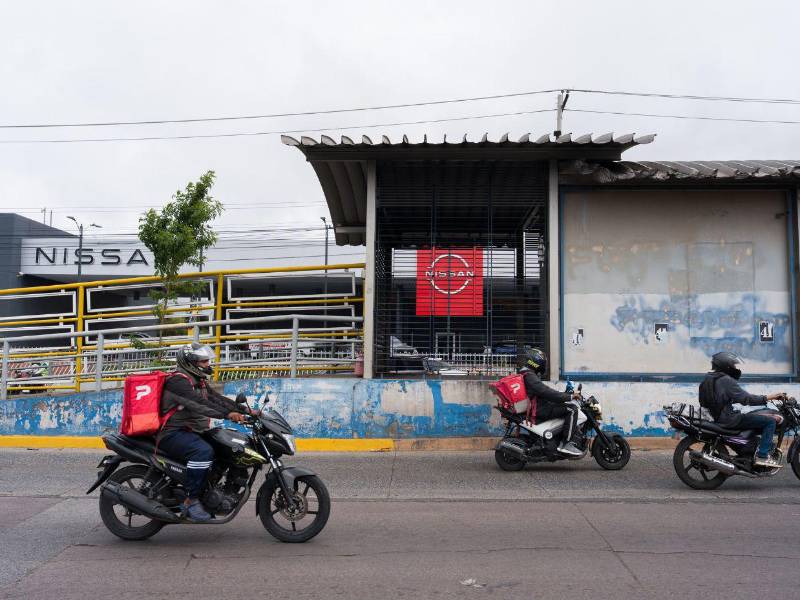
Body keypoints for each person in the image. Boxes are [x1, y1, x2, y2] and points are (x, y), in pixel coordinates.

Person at [157, 342, 253, 521]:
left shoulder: (198, 381)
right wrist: (228, 414)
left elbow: (217, 399)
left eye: (207, 360)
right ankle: (190, 500)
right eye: (204, 361)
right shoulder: (178, 381)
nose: (208, 364)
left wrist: (246, 411)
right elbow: (200, 404)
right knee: (203, 452)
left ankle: (209, 490)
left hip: (191, 431)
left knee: (226, 447)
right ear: (190, 363)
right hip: (172, 433)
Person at [700, 351, 784, 468]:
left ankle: (752, 448)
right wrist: (770, 397)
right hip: (729, 419)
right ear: (726, 365)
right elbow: (746, 399)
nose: (735, 368)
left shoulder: (709, 378)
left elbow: (718, 399)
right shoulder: (726, 380)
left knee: (754, 417)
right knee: (770, 421)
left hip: (716, 417)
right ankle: (762, 456)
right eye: (733, 365)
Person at [518, 347, 583, 456]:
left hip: (540, 405)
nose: (544, 365)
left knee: (565, 406)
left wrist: (565, 395)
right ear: (536, 362)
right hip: (539, 408)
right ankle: (566, 444)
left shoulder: (528, 374)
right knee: (572, 409)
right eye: (542, 362)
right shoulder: (529, 375)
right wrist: (570, 397)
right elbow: (546, 392)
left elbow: (546, 391)